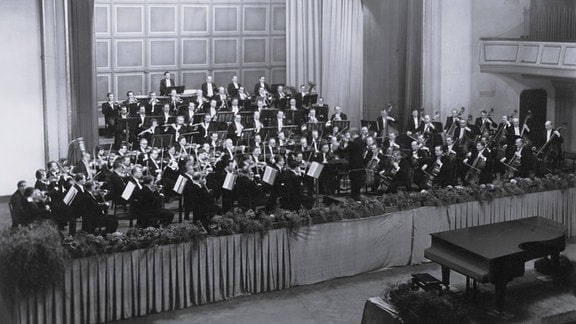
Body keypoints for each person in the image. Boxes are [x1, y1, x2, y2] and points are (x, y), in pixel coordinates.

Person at [344, 128, 366, 201]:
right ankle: (357, 196)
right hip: (360, 164)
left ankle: (354, 198)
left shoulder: (353, 143)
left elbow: (345, 150)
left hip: (354, 165)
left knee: (354, 182)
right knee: (357, 182)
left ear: (353, 134)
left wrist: (338, 146)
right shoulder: (362, 141)